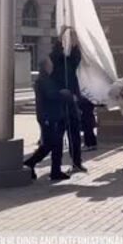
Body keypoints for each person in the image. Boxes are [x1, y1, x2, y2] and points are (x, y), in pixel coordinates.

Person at [24, 58, 70, 182]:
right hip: (49, 117)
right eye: (50, 64)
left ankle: (55, 171)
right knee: (49, 144)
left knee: (57, 145)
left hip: (54, 116)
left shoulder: (47, 79)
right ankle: (29, 163)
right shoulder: (44, 80)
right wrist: (63, 94)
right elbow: (51, 95)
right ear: (45, 66)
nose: (52, 66)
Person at [50, 26, 87, 173]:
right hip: (59, 104)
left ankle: (77, 162)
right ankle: (56, 167)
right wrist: (60, 37)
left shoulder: (71, 63)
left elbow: (77, 55)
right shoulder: (55, 61)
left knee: (75, 135)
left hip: (71, 102)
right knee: (58, 137)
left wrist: (74, 38)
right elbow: (55, 53)